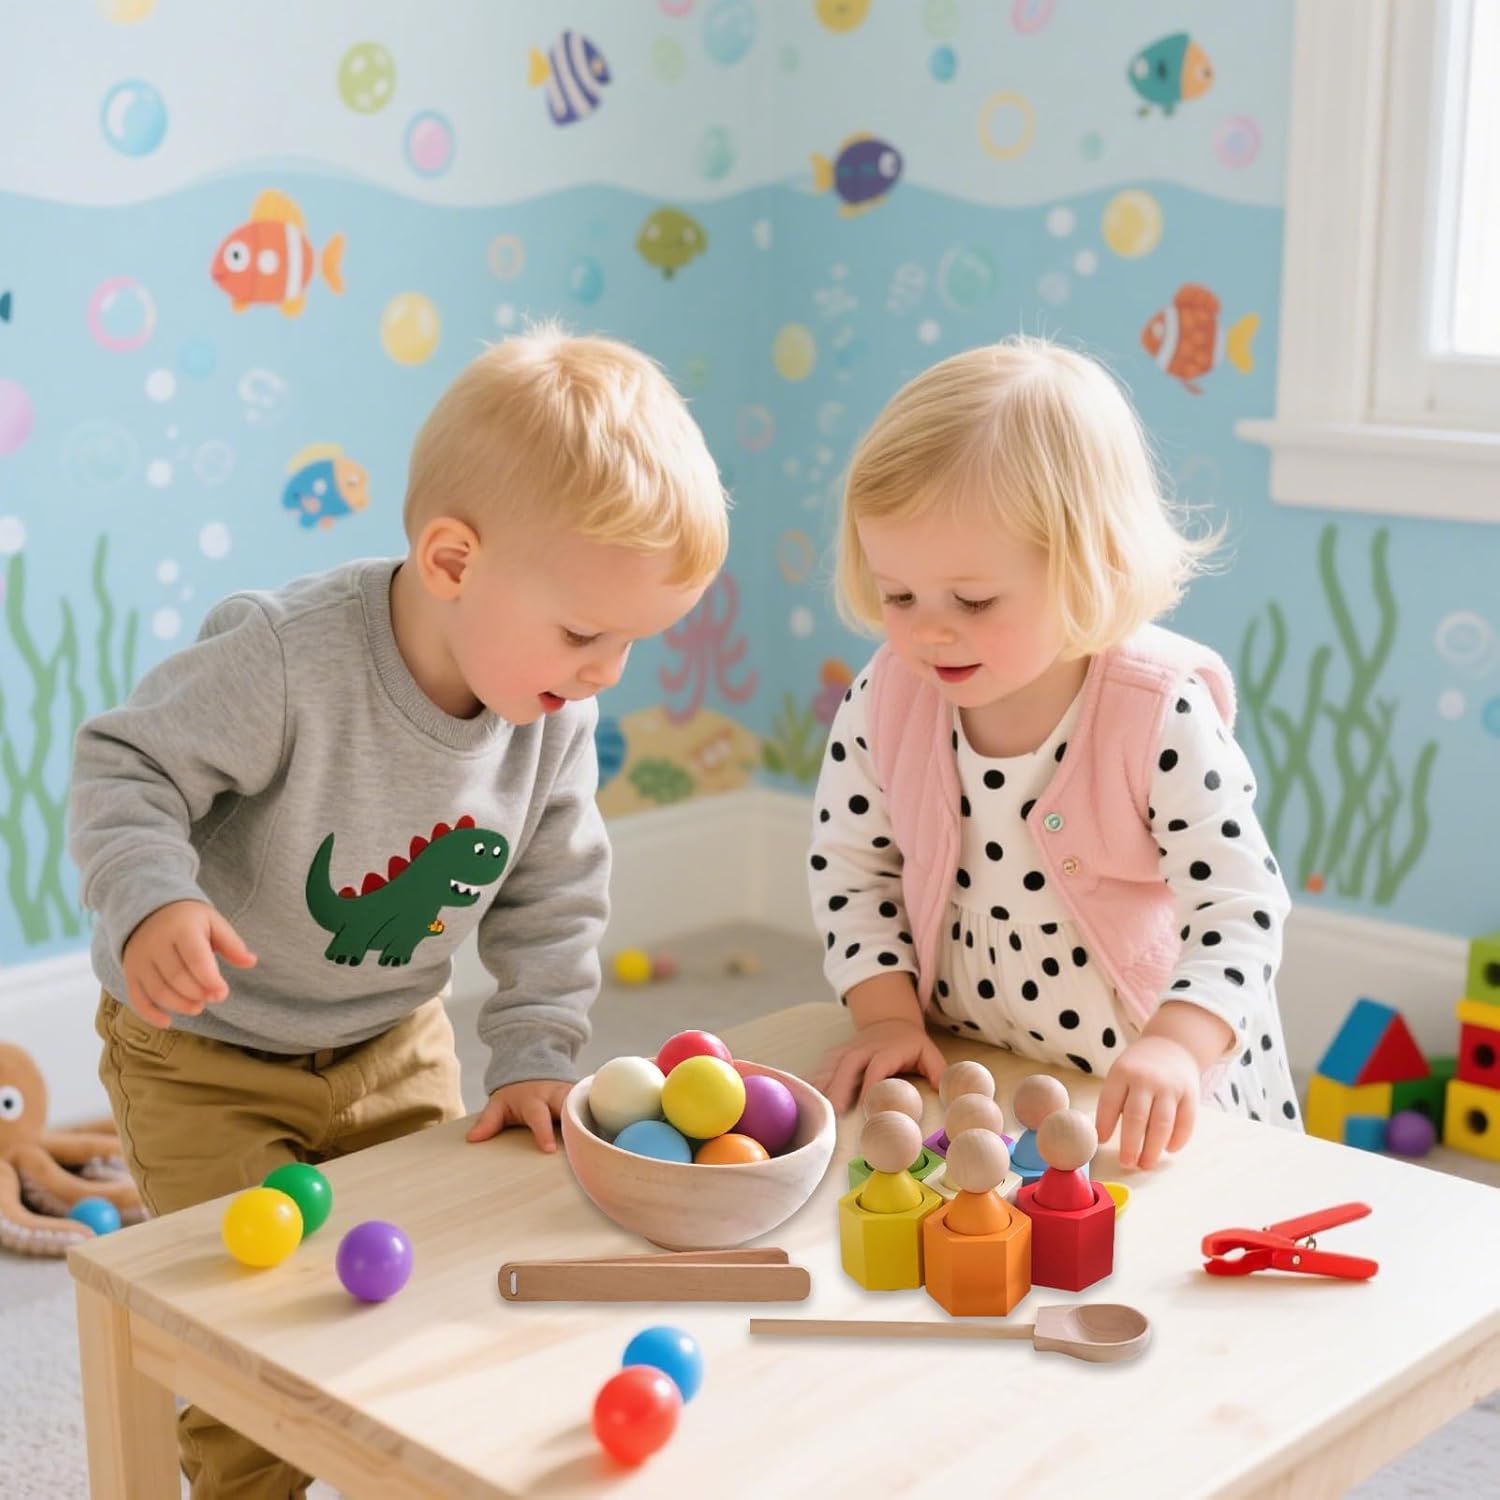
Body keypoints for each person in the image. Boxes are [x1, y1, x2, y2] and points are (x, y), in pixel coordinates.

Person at [68, 325, 728, 1499]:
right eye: (587, 634)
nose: (606, 672)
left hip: (392, 1040)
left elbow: (554, 886)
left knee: (418, 1285)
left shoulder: (554, 711)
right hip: (207, 1052)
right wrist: (150, 900)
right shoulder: (284, 658)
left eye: (632, 641)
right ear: (453, 560)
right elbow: (126, 766)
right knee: (251, 1321)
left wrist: (537, 1051)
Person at [808, 336, 1301, 1177]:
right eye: (899, 595)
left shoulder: (1156, 710)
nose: (930, 631)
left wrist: (1178, 1045)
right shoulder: (888, 697)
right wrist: (887, 1016)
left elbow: (1240, 905)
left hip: (1146, 1095)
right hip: (973, 1066)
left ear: (1087, 567)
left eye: (973, 600)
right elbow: (851, 872)